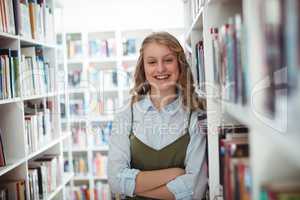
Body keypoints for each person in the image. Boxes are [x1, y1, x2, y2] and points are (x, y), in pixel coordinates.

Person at [108, 32, 207, 200]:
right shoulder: (126, 114)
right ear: (143, 68)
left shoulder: (195, 115)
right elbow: (115, 180)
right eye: (152, 62)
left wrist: (133, 187)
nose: (160, 69)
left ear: (180, 64)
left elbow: (195, 190)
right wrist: (175, 173)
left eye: (168, 60)